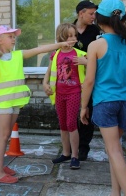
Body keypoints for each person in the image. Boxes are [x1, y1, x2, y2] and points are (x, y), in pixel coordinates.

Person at [0, 25, 76, 184]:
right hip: (3, 102)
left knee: (7, 136)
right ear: (0, 40)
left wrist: (59, 45)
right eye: (10, 36)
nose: (14, 39)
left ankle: (0, 166)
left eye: (14, 36)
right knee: (3, 136)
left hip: (14, 101)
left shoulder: (17, 55)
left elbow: (39, 49)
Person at [80, 0, 126, 196]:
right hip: (125, 102)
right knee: (115, 151)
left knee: (113, 151)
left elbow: (89, 81)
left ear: (99, 20)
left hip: (105, 102)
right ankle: (115, 193)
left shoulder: (96, 45)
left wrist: (83, 106)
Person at [43, 23, 86, 170]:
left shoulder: (80, 54)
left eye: (75, 35)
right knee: (62, 125)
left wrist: (86, 62)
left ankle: (75, 155)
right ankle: (66, 153)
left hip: (74, 93)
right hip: (59, 94)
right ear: (61, 37)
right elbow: (49, 72)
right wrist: (44, 83)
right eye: (69, 36)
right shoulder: (55, 54)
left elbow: (93, 69)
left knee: (71, 124)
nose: (73, 38)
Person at [73, 0, 101, 161]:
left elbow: (103, 56)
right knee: (71, 114)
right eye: (91, 13)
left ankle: (83, 147)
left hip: (90, 80)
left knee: (86, 113)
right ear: (81, 13)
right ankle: (70, 147)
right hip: (71, 79)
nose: (94, 17)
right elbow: (57, 55)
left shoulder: (96, 31)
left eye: (95, 13)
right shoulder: (68, 30)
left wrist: (88, 62)